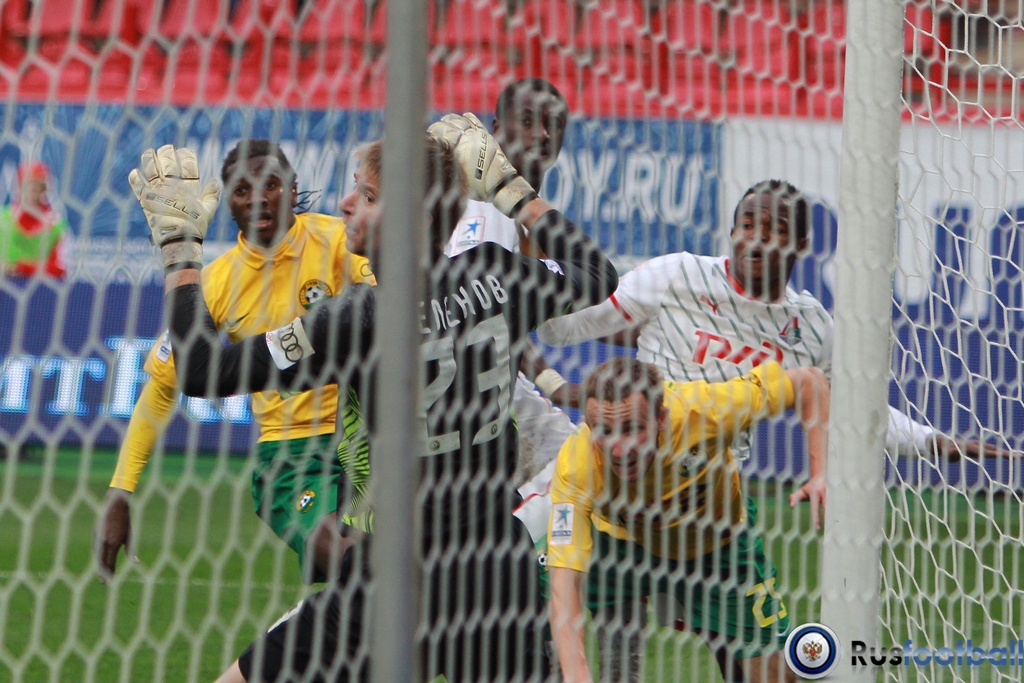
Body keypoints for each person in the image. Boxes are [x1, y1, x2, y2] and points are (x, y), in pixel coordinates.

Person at [127, 114, 618, 682]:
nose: (344, 204)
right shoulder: (498, 274)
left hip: (393, 577)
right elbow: (597, 272)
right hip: (492, 572)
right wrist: (512, 192)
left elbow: (201, 371)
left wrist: (181, 252)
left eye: (366, 195)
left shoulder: (359, 317)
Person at [537, 179, 1009, 463]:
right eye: (748, 226)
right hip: (627, 466)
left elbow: (853, 410)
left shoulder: (812, 328)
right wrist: (535, 281)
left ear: (802, 245)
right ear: (732, 232)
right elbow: (565, 329)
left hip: (714, 491)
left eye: (775, 230)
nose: (757, 240)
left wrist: (931, 441)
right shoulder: (676, 274)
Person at [96, 139, 375, 585]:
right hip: (291, 452)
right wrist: (120, 490)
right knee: (339, 551)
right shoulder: (215, 282)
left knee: (371, 567)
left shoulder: (342, 240)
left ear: (293, 188)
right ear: (227, 202)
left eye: (271, 185)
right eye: (242, 190)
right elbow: (164, 387)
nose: (257, 198)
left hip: (366, 434)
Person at [548, 357, 829, 683]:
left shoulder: (707, 410)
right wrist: (576, 674)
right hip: (621, 543)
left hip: (715, 544)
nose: (619, 450)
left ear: (661, 418)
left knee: (777, 674)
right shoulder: (576, 464)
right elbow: (564, 580)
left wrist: (821, 474)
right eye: (604, 431)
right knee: (533, 586)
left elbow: (809, 382)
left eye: (632, 429)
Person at [443, 77, 576, 488]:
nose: (544, 134)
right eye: (529, 121)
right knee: (576, 467)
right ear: (497, 130)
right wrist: (553, 383)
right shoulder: (486, 208)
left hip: (494, 378)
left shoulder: (523, 210)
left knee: (572, 463)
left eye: (555, 124)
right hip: (464, 386)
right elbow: (478, 310)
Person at [0, 161, 67, 279]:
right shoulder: (3, 219)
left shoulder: (56, 225)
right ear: (19, 186)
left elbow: (60, 268)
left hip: (40, 288)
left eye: (38, 186)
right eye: (28, 185)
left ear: (45, 188)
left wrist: (20, 268)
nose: (33, 191)